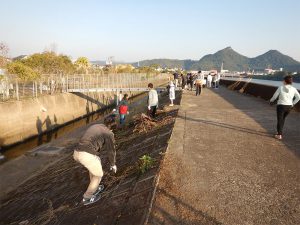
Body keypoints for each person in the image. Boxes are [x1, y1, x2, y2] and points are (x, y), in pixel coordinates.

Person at [73, 121, 117, 205]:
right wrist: (113, 164)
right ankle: (87, 197)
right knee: (98, 174)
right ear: (111, 130)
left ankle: (95, 187)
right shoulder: (109, 133)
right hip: (85, 154)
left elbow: (93, 142)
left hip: (76, 152)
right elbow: (111, 150)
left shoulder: (97, 126)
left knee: (95, 164)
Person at [270, 75, 300, 140]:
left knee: (280, 120)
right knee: (283, 119)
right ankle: (279, 131)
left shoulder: (281, 87)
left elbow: (275, 96)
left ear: (285, 81)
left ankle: (279, 135)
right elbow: (298, 97)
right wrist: (293, 103)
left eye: (283, 80)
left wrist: (271, 100)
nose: (282, 81)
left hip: (281, 106)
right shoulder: (294, 89)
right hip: (289, 107)